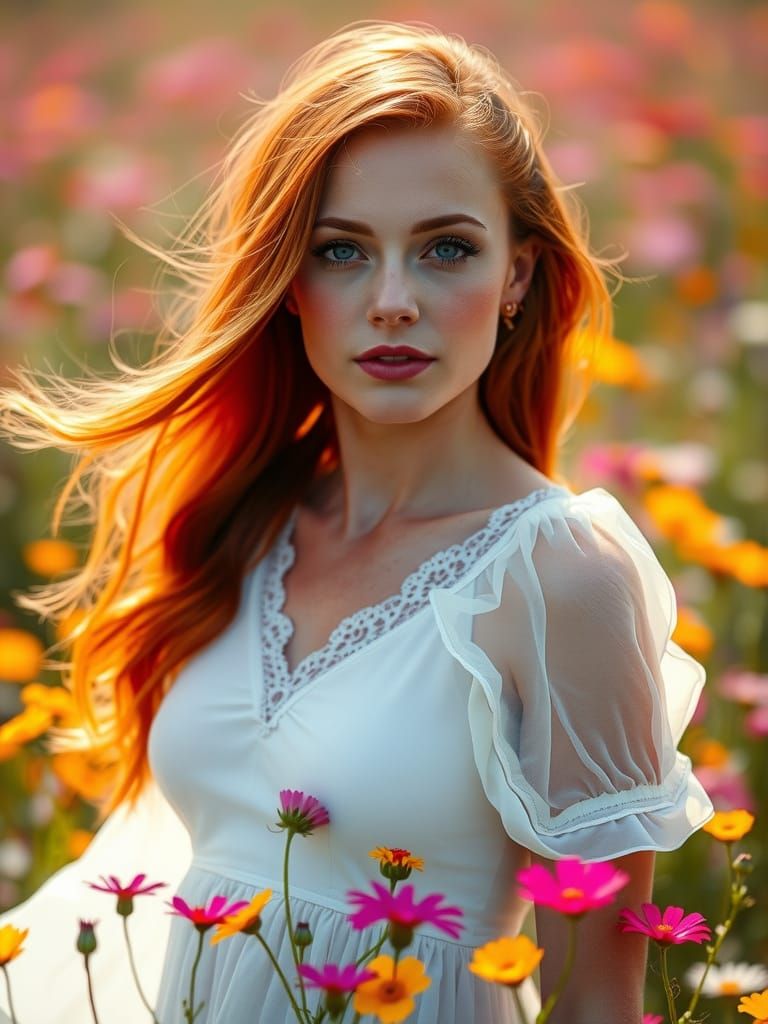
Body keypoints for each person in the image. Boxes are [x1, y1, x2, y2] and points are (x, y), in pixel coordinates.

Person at [0, 20, 713, 1024]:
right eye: (342, 251)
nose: (390, 302)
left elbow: (597, 995)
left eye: (446, 249)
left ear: (516, 275)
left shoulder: (560, 581)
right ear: (288, 281)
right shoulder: (241, 519)